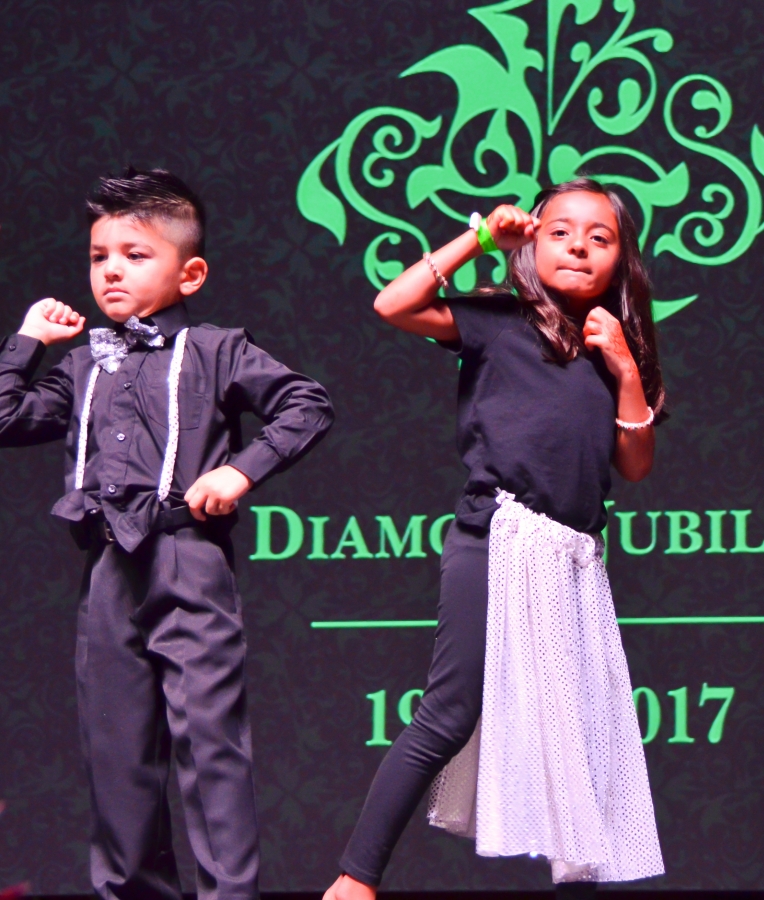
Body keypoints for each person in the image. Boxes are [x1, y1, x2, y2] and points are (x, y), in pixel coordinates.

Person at [324, 178, 665, 900]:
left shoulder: (619, 348)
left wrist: (626, 367)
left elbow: (633, 462)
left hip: (572, 558)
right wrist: (479, 238)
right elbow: (394, 303)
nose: (578, 245)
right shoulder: (498, 321)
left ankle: (578, 882)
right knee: (450, 709)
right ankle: (354, 882)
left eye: (599, 237)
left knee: (575, 731)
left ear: (621, 260)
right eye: (560, 231)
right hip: (496, 537)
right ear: (532, 245)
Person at [0, 168, 334, 900]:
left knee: (210, 747)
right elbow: (5, 417)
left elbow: (305, 404)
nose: (111, 269)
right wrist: (29, 341)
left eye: (135, 253)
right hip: (109, 569)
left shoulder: (216, 350)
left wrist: (241, 472)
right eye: (99, 256)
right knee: (116, 751)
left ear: (191, 273)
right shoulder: (85, 363)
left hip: (186, 559)